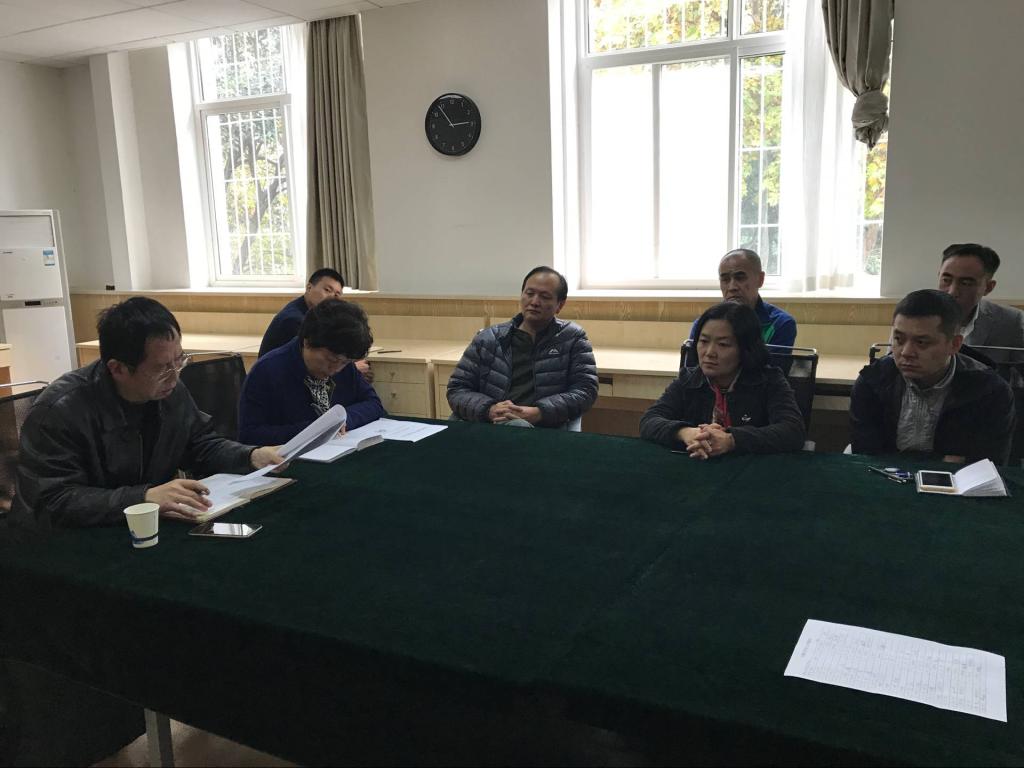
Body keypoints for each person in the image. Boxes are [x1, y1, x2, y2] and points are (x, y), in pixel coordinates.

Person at [10, 297, 285, 530]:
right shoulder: (59, 411)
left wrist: (250, 456)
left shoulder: (169, 391)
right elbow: (53, 501)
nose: (174, 376)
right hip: (62, 544)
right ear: (118, 369)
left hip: (137, 527)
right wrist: (143, 498)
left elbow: (200, 445)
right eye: (161, 368)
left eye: (179, 360)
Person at [850, 289, 1015, 464]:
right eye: (899, 339)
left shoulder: (990, 391)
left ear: (954, 344)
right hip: (885, 474)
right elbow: (866, 453)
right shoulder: (872, 381)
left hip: (955, 479)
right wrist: (943, 460)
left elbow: (990, 463)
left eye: (921, 342)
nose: (906, 352)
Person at [642, 302, 805, 457]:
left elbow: (793, 431)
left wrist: (731, 440)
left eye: (723, 344)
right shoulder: (689, 379)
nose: (709, 352)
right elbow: (649, 420)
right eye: (703, 341)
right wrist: (686, 433)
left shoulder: (769, 380)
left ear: (746, 349)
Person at [447, 266, 598, 428]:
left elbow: (585, 391)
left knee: (519, 427)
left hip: (542, 428)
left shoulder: (572, 338)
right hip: (490, 423)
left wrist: (539, 413)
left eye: (545, 297)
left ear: (560, 305)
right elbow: (457, 389)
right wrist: (489, 409)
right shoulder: (489, 338)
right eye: (529, 293)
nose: (534, 302)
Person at [239, 298, 385, 445]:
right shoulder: (268, 371)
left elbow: (373, 404)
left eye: (345, 362)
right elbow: (249, 435)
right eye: (331, 360)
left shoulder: (343, 363)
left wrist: (345, 419)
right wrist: (314, 430)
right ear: (307, 342)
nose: (336, 369)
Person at [258, 268, 374, 381]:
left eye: (337, 295)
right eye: (327, 290)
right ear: (309, 287)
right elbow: (310, 364)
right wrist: (352, 369)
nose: (332, 297)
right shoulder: (294, 320)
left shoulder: (317, 316)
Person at [687, 249, 797, 349]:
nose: (732, 287)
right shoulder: (704, 324)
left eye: (740, 278)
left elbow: (772, 366)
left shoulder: (780, 324)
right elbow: (691, 364)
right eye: (725, 280)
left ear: (760, 279)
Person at [937, 243, 1024, 350]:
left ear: (988, 287)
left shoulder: (1012, 322)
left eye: (965, 283)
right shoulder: (918, 316)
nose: (952, 292)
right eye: (946, 280)